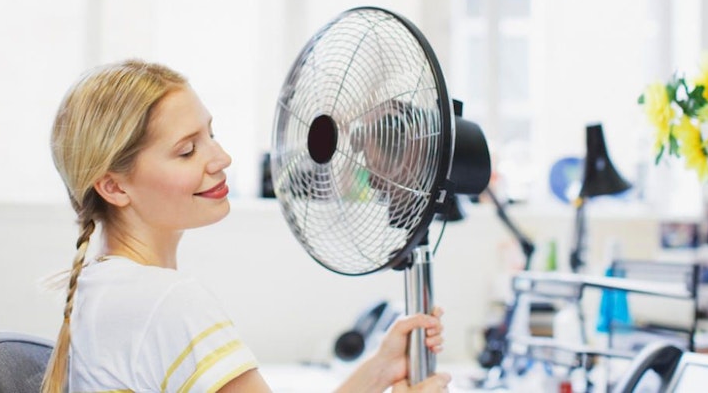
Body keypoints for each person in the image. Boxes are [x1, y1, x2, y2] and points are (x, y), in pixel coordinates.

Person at [41, 59, 452, 393]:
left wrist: (377, 372)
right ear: (113, 186)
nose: (221, 158)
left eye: (211, 134)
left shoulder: (103, 286)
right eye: (186, 151)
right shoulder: (168, 302)